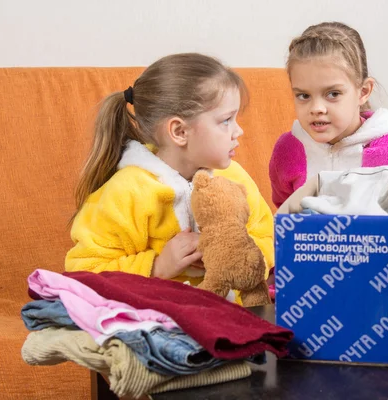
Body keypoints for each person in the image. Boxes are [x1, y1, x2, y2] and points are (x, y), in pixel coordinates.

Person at [65, 53, 273, 305]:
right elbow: (85, 271)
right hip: (161, 321)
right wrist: (157, 267)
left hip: (236, 318)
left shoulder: (234, 177)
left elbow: (270, 238)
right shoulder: (127, 192)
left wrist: (234, 254)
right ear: (180, 131)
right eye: (226, 120)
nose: (238, 131)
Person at [269, 21, 388, 210]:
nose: (316, 108)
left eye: (333, 94)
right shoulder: (287, 150)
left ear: (363, 92)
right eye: (303, 96)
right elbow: (284, 212)